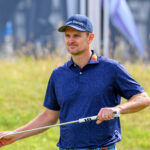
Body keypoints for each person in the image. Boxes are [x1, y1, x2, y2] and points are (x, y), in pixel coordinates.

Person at [0, 14, 150, 150]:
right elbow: (49, 116)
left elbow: (143, 98)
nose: (71, 40)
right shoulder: (58, 74)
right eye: (67, 36)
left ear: (90, 38)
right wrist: (14, 135)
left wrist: (117, 109)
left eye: (76, 36)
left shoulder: (111, 68)